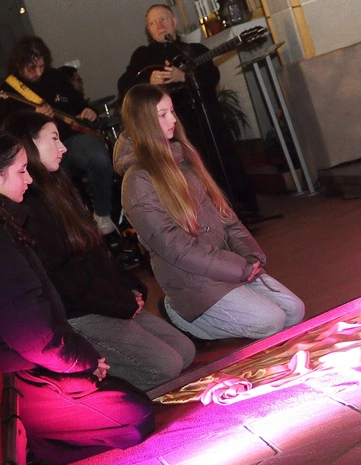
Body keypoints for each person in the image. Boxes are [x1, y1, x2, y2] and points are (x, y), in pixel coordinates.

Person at [0, 127, 154, 465]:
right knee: (134, 417)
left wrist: (81, 362)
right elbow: (34, 338)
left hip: (20, 370)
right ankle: (31, 449)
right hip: (9, 384)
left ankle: (35, 440)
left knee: (126, 398)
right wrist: (83, 362)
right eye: (21, 171)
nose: (29, 179)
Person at [3, 112, 195, 391]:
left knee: (185, 351)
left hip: (104, 299)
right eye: (54, 139)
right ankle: (87, 379)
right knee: (165, 366)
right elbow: (66, 281)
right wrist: (119, 301)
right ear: (29, 145)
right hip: (79, 313)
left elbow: (95, 251)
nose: (63, 148)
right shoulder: (27, 205)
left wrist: (128, 287)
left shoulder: (58, 186)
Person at [119, 84, 304, 340]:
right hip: (191, 278)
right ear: (143, 122)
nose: (173, 119)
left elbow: (224, 214)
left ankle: (228, 304)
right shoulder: (137, 180)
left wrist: (248, 256)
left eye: (172, 111)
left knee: (294, 311)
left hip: (224, 265)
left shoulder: (183, 156)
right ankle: (181, 316)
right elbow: (176, 248)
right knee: (272, 321)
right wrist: (238, 268)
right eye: (162, 115)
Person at [117, 4, 260, 218]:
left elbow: (212, 77)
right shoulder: (142, 56)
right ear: (149, 30)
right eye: (153, 23)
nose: (159, 25)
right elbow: (123, 86)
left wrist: (185, 77)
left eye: (163, 19)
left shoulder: (194, 50)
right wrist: (149, 79)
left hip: (201, 118)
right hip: (168, 128)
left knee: (219, 148)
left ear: (174, 22)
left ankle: (237, 206)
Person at [0, 36, 118, 235]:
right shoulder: (7, 91)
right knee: (55, 186)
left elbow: (79, 104)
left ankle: (103, 215)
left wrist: (88, 111)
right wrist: (34, 117)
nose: (38, 72)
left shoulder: (55, 77)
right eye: (32, 68)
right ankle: (75, 226)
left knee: (99, 156)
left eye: (42, 66)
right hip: (39, 153)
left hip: (71, 139)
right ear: (19, 65)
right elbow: (2, 130)